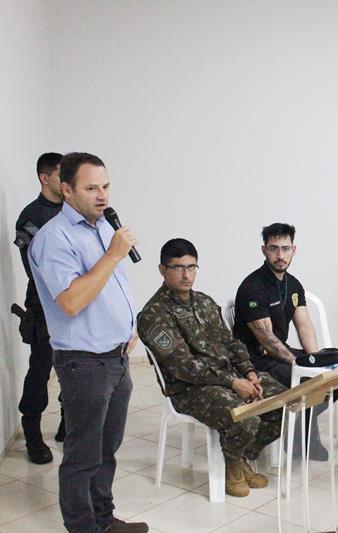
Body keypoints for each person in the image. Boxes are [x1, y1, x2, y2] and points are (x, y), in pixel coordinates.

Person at [27, 152, 148, 533]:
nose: (102, 195)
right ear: (66, 190)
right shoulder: (53, 239)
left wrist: (128, 328)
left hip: (115, 359)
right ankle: (82, 527)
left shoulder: (99, 228)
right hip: (84, 363)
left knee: (106, 451)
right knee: (82, 455)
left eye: (106, 186)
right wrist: (114, 254)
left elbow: (108, 287)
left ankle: (104, 519)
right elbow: (72, 300)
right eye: (91, 187)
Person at [137, 239, 285, 497]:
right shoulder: (154, 314)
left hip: (228, 377)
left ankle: (240, 456)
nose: (186, 275)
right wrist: (233, 382)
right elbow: (184, 367)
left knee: (281, 401)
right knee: (244, 412)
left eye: (192, 267)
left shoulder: (204, 302)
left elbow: (231, 343)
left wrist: (249, 371)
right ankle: (233, 468)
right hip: (190, 388)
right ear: (162, 270)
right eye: (178, 268)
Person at [233, 223, 338, 461]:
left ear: (294, 250)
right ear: (264, 250)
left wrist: (316, 359)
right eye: (274, 249)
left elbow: (304, 325)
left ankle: (299, 434)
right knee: (308, 378)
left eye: (285, 248)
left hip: (278, 354)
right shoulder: (252, 287)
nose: (280, 255)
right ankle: (303, 439)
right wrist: (301, 363)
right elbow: (266, 338)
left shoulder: (293, 284)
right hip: (254, 359)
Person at [12, 152, 67, 464]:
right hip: (44, 306)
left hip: (74, 303)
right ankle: (32, 432)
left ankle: (66, 425)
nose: (67, 181)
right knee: (41, 368)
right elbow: (35, 268)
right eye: (61, 174)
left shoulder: (71, 211)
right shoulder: (32, 216)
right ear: (45, 178)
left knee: (72, 366)